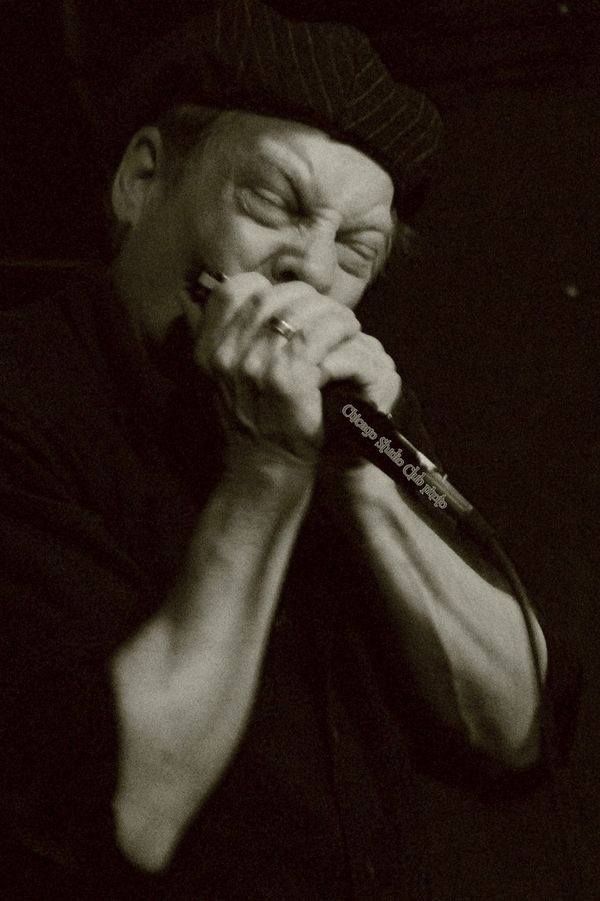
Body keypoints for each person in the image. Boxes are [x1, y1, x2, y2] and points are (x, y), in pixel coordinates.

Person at [0, 2, 577, 898]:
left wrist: (364, 483)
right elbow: (126, 812)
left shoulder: (360, 416)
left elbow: (517, 729)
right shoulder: (26, 393)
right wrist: (268, 469)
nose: (310, 267)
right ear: (142, 179)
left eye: (356, 249)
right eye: (274, 202)